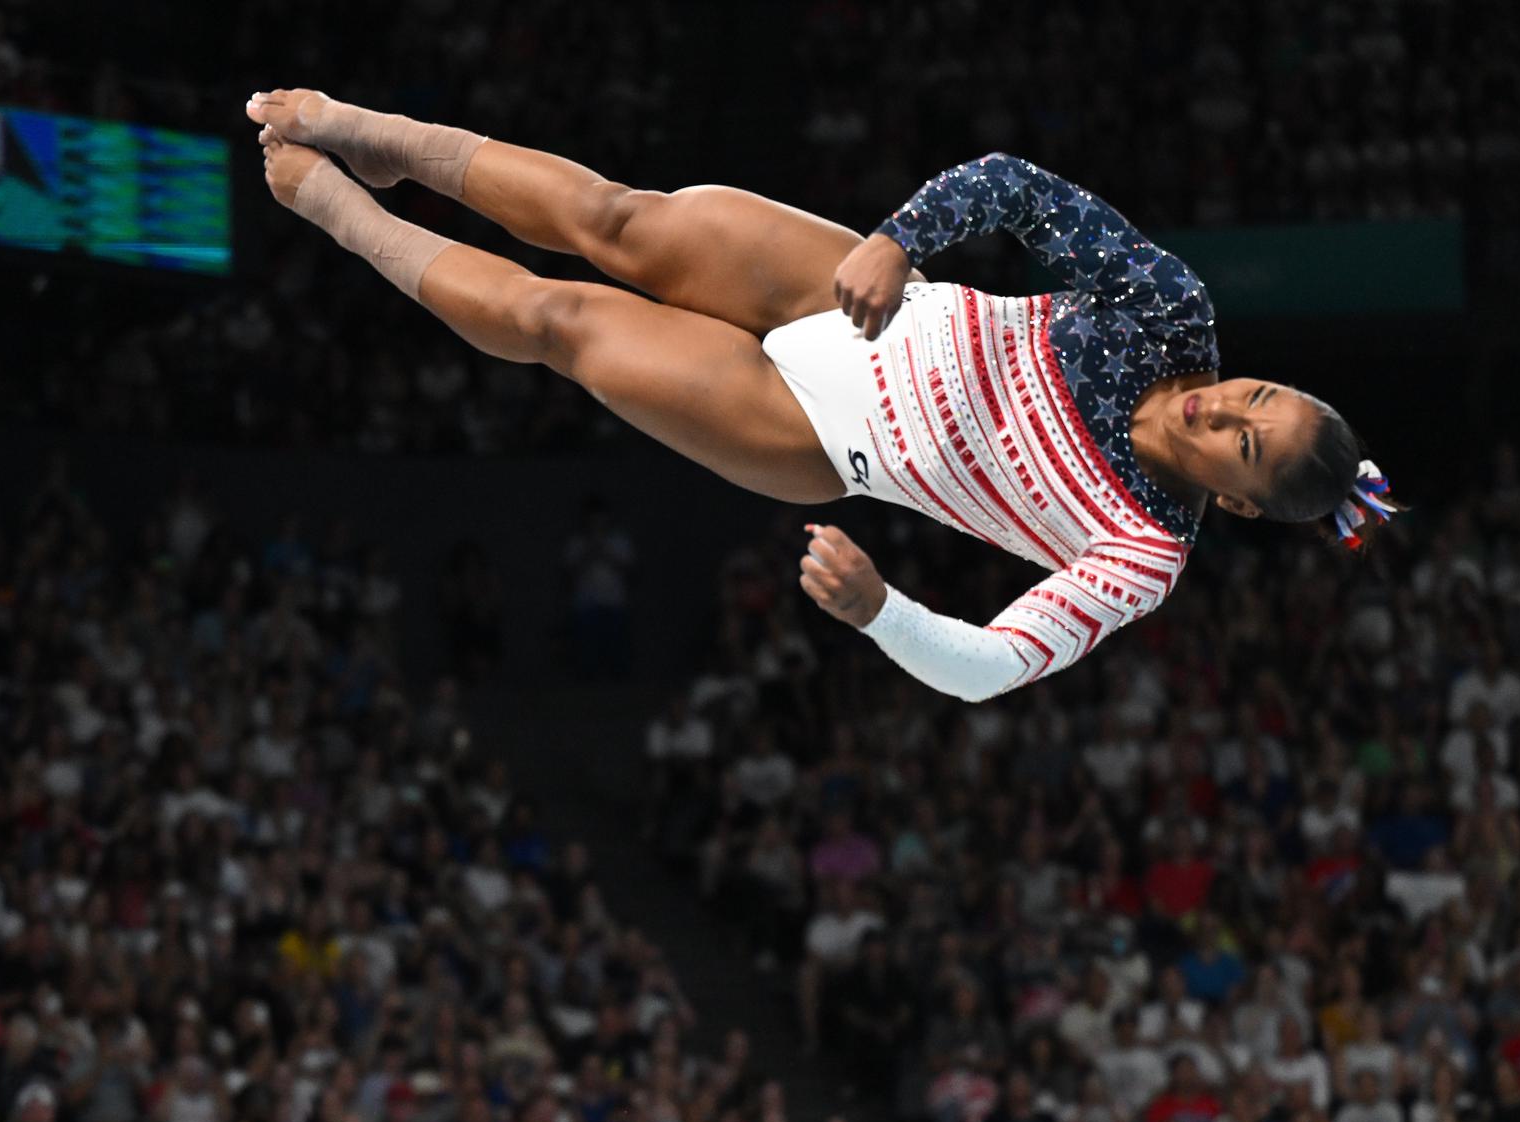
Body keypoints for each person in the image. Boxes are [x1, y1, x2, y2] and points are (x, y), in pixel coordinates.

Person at [244, 91, 1401, 702]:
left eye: (1243, 445)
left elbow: (992, 665)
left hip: (815, 431)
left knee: (563, 322)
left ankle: (350, 214)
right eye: (1254, 393)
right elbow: (1014, 186)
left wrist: (879, 613)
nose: (1220, 409)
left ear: (1238, 505)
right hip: (860, 294)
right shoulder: (1173, 315)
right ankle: (373, 131)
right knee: (619, 219)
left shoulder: (1140, 550)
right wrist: (901, 239)